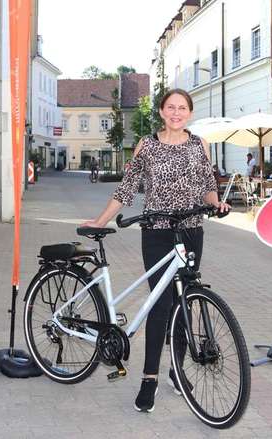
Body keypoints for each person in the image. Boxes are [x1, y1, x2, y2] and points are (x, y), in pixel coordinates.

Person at [82, 88, 231, 413]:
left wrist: (216, 203)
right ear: (162, 112)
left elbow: (208, 187)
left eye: (182, 108)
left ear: (189, 113)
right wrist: (100, 220)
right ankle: (149, 377)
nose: (176, 113)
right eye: (170, 107)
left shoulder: (199, 144)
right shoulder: (147, 145)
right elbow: (127, 188)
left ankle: (177, 373)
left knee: (185, 302)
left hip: (191, 231)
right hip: (157, 234)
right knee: (160, 305)